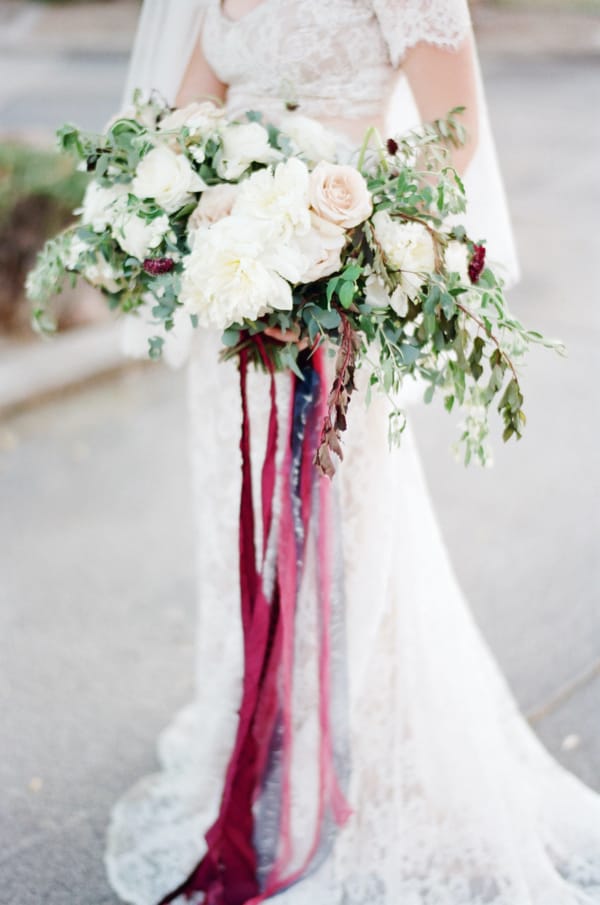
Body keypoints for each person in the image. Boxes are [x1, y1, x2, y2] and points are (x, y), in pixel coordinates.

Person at [106, 2, 600, 904]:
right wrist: (202, 209)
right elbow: (183, 122)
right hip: (236, 312)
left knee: (349, 533)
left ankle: (354, 762)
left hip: (335, 313)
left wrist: (336, 247)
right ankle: (261, 738)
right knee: (241, 529)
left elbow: (454, 141)